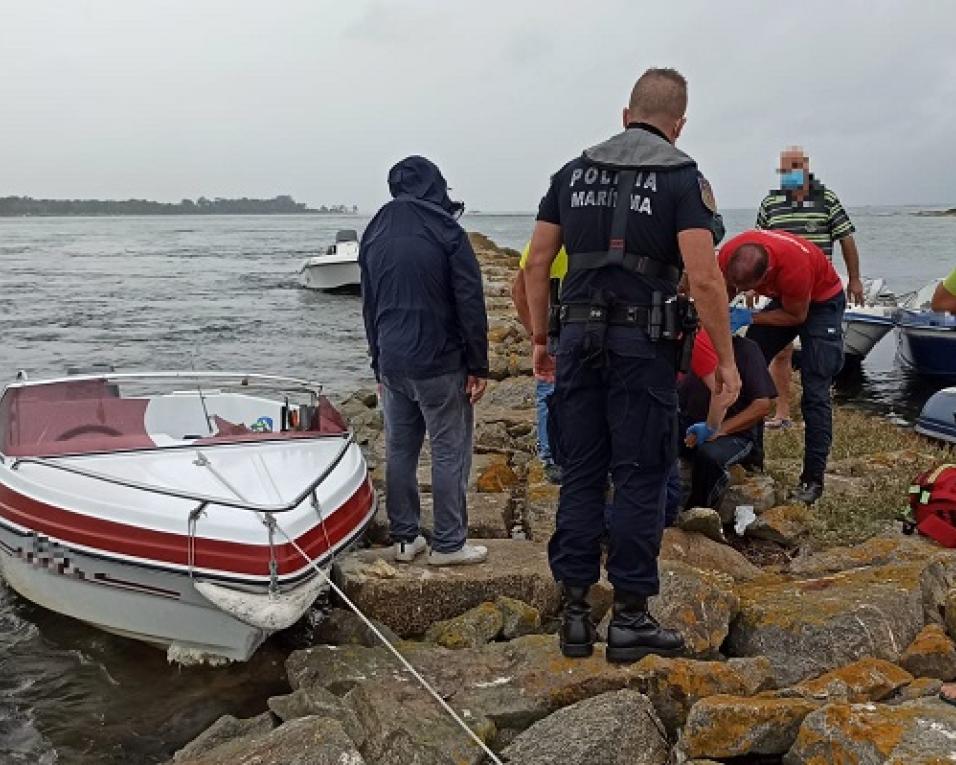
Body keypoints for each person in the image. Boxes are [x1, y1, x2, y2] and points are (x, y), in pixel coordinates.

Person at [524, 67, 740, 663]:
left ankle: (572, 616)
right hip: (642, 349)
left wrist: (541, 338)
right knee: (642, 475)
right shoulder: (681, 177)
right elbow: (703, 276)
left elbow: (536, 265)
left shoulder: (570, 174)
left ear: (625, 114)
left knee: (583, 472)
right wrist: (726, 360)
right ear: (678, 125)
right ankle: (630, 618)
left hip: (577, 345)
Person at [359, 155, 490, 567]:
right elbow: (470, 300)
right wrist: (478, 364)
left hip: (393, 362)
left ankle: (404, 538)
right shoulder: (447, 229)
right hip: (440, 363)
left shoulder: (375, 231)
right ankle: (449, 545)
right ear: (436, 185)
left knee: (400, 450)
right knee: (449, 451)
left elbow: (370, 304)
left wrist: (377, 361)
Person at [721, 228, 845, 504]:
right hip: (785, 296)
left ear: (765, 276)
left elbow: (795, 315)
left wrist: (750, 317)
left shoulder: (793, 269)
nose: (740, 292)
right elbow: (721, 290)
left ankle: (812, 480)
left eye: (745, 288)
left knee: (815, 392)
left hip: (822, 301)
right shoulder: (729, 253)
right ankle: (752, 460)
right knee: (747, 365)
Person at [756, 146, 863, 429]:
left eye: (795, 166)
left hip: (819, 292)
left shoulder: (826, 199)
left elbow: (846, 240)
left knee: (818, 359)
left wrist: (854, 278)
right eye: (785, 167)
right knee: (781, 352)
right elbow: (759, 246)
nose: (790, 172)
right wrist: (753, 286)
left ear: (806, 167)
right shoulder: (771, 203)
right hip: (782, 290)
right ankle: (782, 412)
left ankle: (817, 413)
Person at [679, 334, 777, 509]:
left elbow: (762, 405)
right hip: (691, 425)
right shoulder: (688, 345)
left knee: (709, 456)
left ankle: (698, 512)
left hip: (735, 433)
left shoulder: (745, 349)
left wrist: (720, 429)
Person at [512, 242, 568, 484]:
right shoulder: (560, 245)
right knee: (550, 391)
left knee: (550, 392)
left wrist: (536, 336)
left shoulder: (545, 244)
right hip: (562, 326)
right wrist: (538, 337)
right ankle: (550, 456)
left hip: (555, 327)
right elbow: (518, 291)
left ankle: (551, 455)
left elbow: (518, 291)